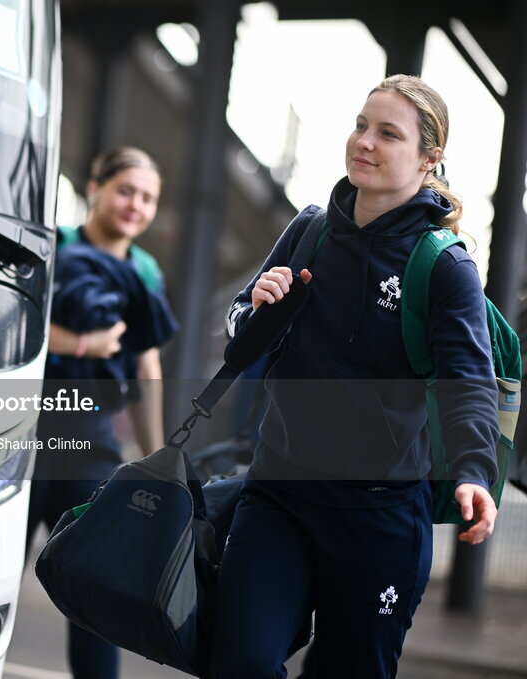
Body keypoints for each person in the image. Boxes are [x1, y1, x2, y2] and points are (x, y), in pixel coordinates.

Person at [212, 74, 500, 679]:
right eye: (361, 125)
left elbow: (467, 378)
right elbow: (240, 333)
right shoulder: (310, 230)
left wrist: (473, 469)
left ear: (429, 158)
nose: (364, 142)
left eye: (388, 134)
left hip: (380, 515)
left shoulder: (444, 266)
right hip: (278, 494)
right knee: (238, 662)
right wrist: (256, 309)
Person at [27, 146, 178, 679]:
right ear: (96, 188)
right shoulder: (51, 245)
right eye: (126, 190)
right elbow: (14, 326)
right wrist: (83, 342)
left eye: (148, 198)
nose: (135, 205)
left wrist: (160, 456)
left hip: (90, 440)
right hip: (18, 430)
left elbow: (145, 366)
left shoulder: (144, 271)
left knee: (94, 595)